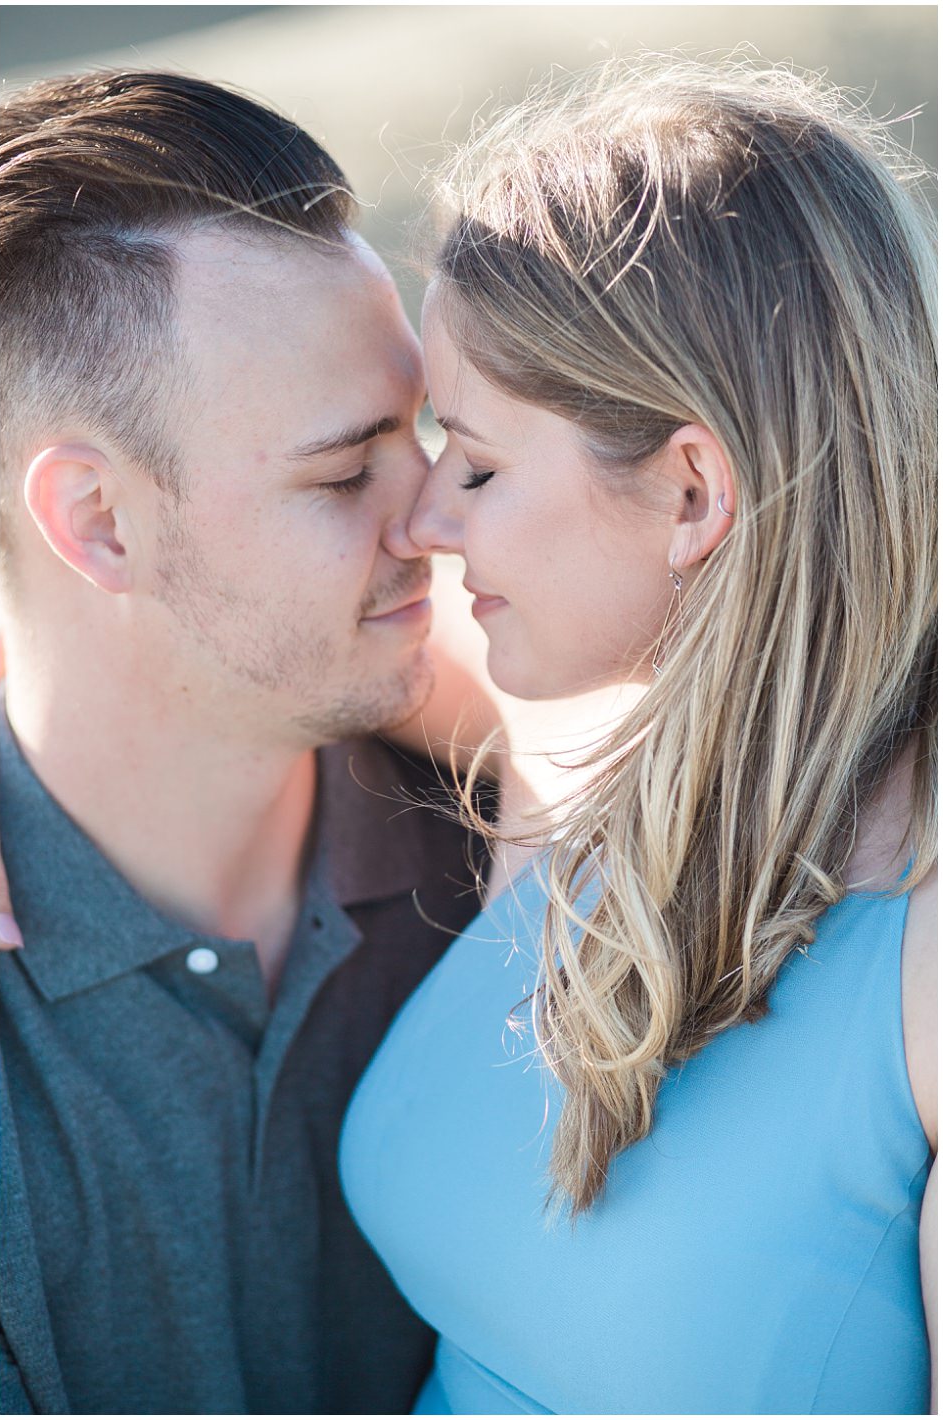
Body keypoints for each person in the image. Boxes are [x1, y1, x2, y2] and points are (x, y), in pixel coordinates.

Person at [340, 57, 938, 1414]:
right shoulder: (577, 733)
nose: (426, 520)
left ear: (687, 491)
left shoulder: (919, 964)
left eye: (478, 463)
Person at [0, 70, 498, 1415]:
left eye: (430, 437)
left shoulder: (518, 849)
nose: (439, 518)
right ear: (99, 521)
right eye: (344, 474)